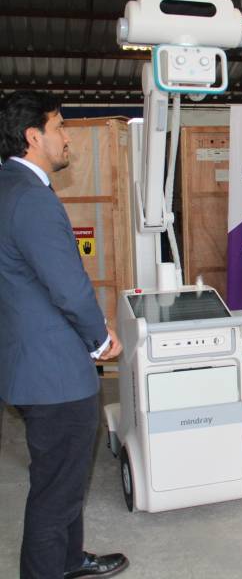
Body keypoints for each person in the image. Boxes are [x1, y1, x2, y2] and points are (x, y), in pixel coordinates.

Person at [0, 91, 129, 578]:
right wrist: (100, 338)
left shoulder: (8, 186)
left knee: (65, 478)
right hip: (52, 373)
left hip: (26, 357)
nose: (67, 137)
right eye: (60, 127)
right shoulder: (31, 199)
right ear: (33, 137)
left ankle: (68, 560)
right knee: (56, 490)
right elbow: (67, 286)